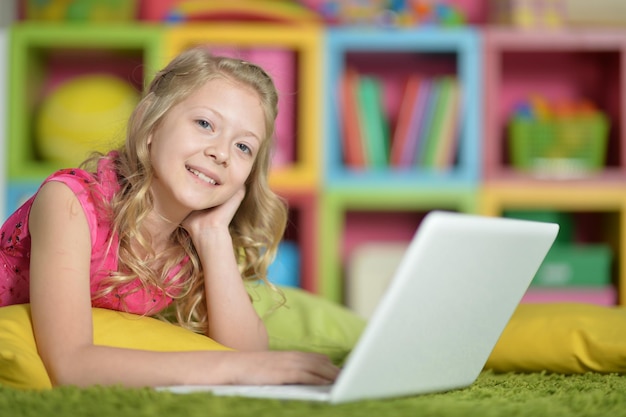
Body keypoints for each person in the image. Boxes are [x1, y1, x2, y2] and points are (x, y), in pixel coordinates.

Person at [0, 46, 340, 387]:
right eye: (205, 124)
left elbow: (247, 352)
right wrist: (229, 370)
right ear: (152, 124)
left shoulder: (190, 240)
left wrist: (213, 234)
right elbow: (70, 364)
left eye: (243, 147)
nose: (221, 152)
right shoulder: (69, 202)